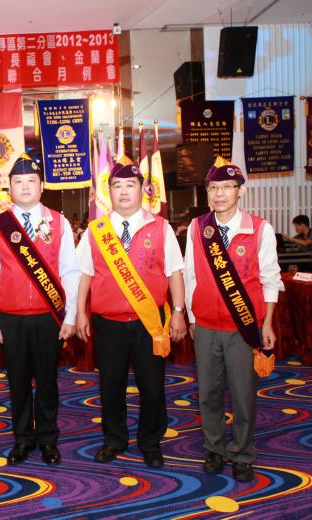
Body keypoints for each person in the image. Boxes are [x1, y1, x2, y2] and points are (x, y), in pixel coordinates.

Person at [76, 158, 186, 468]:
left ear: (142, 190)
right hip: (108, 324)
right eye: (117, 186)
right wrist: (80, 312)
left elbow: (175, 272)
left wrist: (179, 311)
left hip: (149, 323)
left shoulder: (160, 227)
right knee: (110, 385)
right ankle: (114, 439)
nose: (123, 191)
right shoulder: (96, 230)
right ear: (109, 191)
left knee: (152, 386)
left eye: (130, 185)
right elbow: (84, 274)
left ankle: (150, 442)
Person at [184, 157, 283, 482]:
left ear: (240, 190)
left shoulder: (259, 228)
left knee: (243, 394)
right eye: (213, 187)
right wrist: (192, 316)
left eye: (226, 187)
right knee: (208, 393)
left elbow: (270, 279)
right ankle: (214, 450)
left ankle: (242, 453)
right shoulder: (198, 228)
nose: (219, 194)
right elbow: (191, 276)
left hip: (244, 328)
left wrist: (267, 323)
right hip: (206, 326)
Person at [0, 154, 80, 466]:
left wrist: (70, 316)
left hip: (47, 317)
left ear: (42, 186)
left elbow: (70, 272)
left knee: (48, 380)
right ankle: (23, 438)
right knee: (18, 381)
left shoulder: (59, 222)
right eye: (18, 182)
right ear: (10, 187)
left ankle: (48, 439)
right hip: (10, 317)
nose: (25, 187)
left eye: (31, 181)